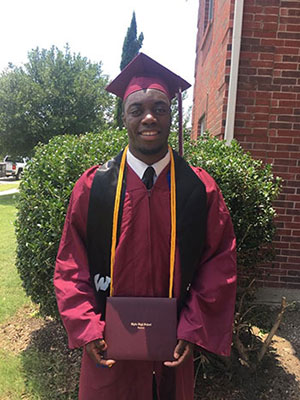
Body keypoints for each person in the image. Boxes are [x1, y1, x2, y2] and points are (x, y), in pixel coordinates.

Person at [54, 53, 237, 400]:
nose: (149, 117)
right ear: (123, 117)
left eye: (160, 107)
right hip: (108, 348)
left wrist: (193, 329)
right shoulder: (94, 188)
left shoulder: (200, 189)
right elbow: (70, 265)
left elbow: (219, 264)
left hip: (174, 347)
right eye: (137, 109)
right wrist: (87, 328)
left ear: (172, 116)